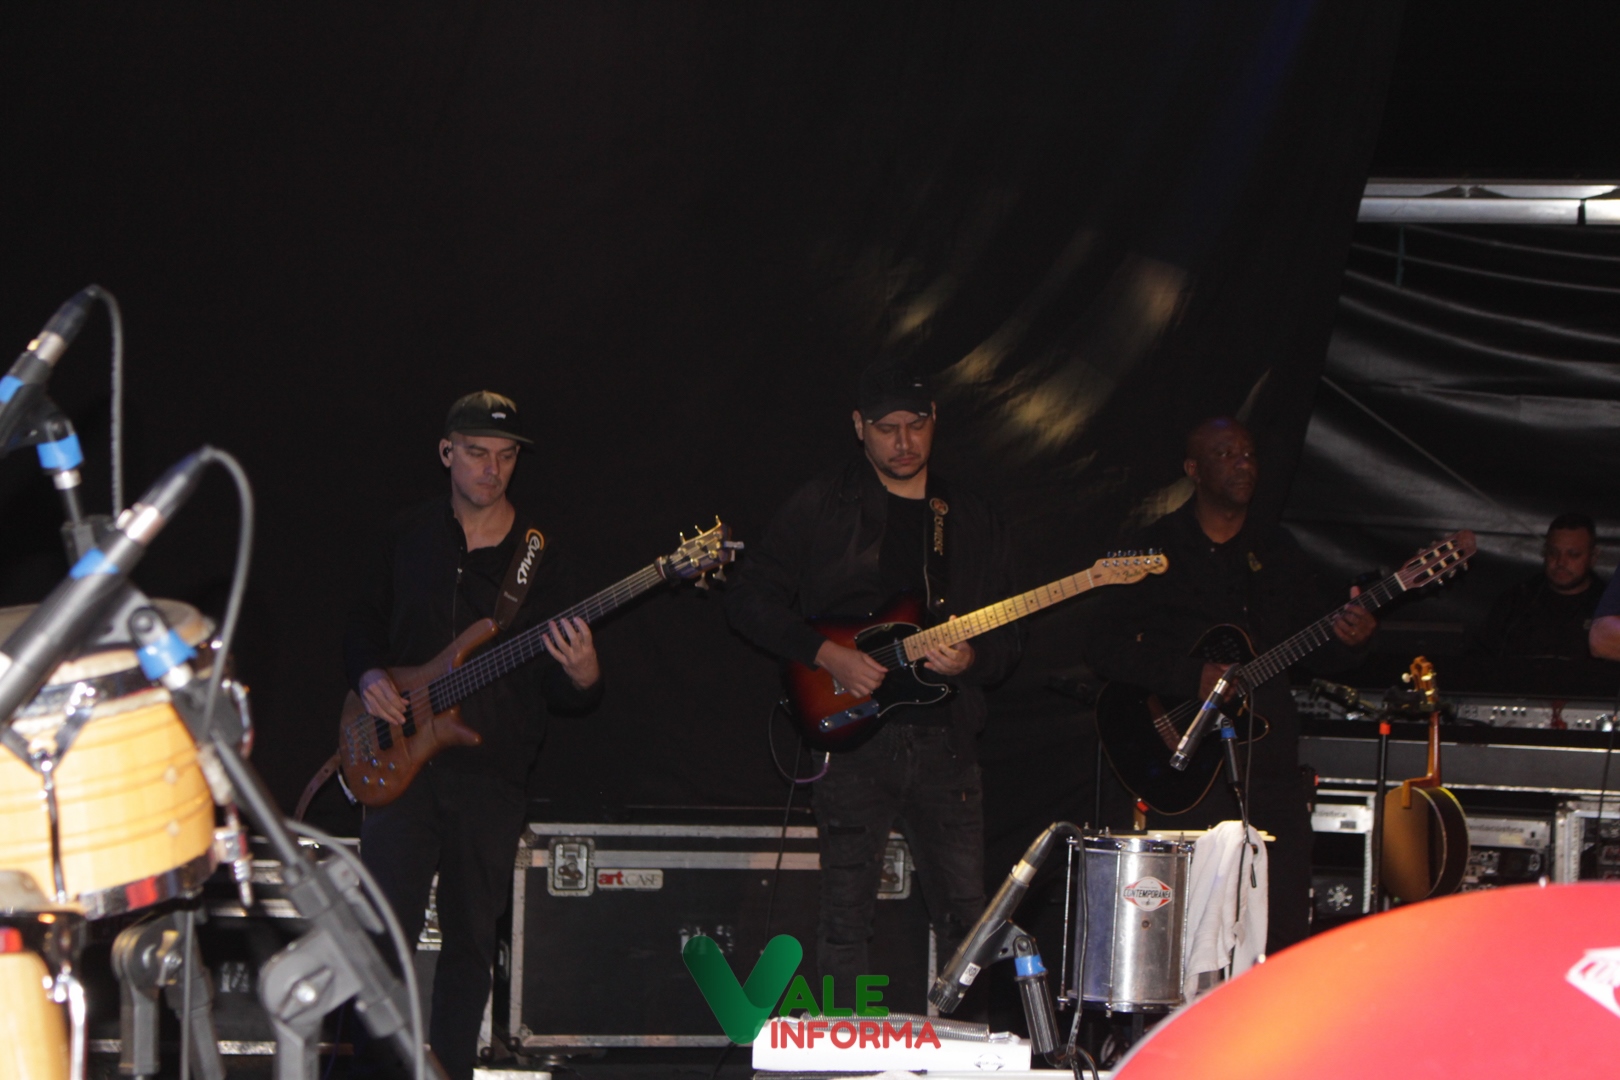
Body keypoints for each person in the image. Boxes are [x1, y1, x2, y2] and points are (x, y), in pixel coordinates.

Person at [725, 361, 1021, 994]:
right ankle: (844, 1043)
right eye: (887, 428)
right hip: (852, 740)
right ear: (859, 426)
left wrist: (973, 660)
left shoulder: (969, 516)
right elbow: (748, 597)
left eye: (917, 424)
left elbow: (1011, 639)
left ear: (936, 420)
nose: (904, 442)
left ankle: (968, 1040)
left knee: (968, 916)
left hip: (947, 741)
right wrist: (824, 654)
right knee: (844, 917)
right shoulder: (822, 503)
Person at [343, 391, 603, 1080]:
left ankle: (450, 1068)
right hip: (402, 763)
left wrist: (583, 678)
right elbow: (361, 619)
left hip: (492, 772)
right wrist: (368, 675)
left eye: (507, 456)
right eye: (478, 452)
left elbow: (555, 689)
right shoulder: (405, 534)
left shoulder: (542, 556)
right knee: (382, 936)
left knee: (469, 942)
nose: (493, 469)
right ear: (446, 452)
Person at [1083, 417, 1374, 951]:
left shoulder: (1277, 549)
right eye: (1226, 454)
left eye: (1249, 454)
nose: (1243, 463)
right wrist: (1187, 675)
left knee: (1283, 915)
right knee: (1187, 927)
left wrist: (1352, 640)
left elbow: (1320, 650)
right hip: (1188, 764)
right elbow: (1101, 644)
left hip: (1268, 763)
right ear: (1193, 470)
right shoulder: (1155, 548)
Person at [1476, 514, 1606, 661]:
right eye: (1553, 553)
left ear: (1593, 556)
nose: (1561, 562)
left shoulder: (1609, 606)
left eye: (1573, 555)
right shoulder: (1517, 601)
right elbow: (1480, 659)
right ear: (1544, 553)